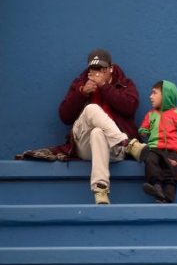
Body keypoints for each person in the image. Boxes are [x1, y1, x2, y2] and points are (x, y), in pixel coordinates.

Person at [57, 48, 143, 204]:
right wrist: (82, 93)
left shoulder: (125, 84)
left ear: (111, 68)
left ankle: (100, 190)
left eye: (101, 69)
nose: (96, 72)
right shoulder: (80, 84)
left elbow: (130, 107)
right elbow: (64, 117)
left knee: (98, 132)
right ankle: (130, 144)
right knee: (91, 109)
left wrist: (104, 87)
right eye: (93, 68)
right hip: (84, 145)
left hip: (113, 148)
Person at [134, 80, 177, 203]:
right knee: (149, 160)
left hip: (173, 151)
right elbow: (143, 128)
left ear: (166, 95)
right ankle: (156, 186)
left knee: (171, 175)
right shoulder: (151, 114)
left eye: (154, 93)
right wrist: (143, 131)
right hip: (155, 148)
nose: (150, 97)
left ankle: (166, 198)